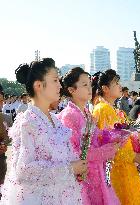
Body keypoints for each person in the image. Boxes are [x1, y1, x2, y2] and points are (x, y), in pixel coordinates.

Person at [1, 59, 86, 205]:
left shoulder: (55, 119)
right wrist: (69, 168)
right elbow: (24, 170)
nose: (60, 85)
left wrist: (77, 166)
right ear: (38, 85)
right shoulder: (28, 122)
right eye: (55, 80)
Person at [57, 67, 121, 205]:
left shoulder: (87, 114)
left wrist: (115, 136)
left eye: (89, 84)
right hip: (83, 178)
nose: (89, 88)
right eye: (84, 84)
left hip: (97, 173)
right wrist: (106, 151)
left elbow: (98, 138)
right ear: (71, 90)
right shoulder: (69, 116)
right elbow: (76, 153)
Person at [92, 69, 140, 205]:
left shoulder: (112, 109)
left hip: (125, 167)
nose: (120, 86)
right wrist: (133, 156)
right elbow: (109, 145)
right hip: (118, 170)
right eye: (116, 83)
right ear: (105, 88)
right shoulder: (103, 109)